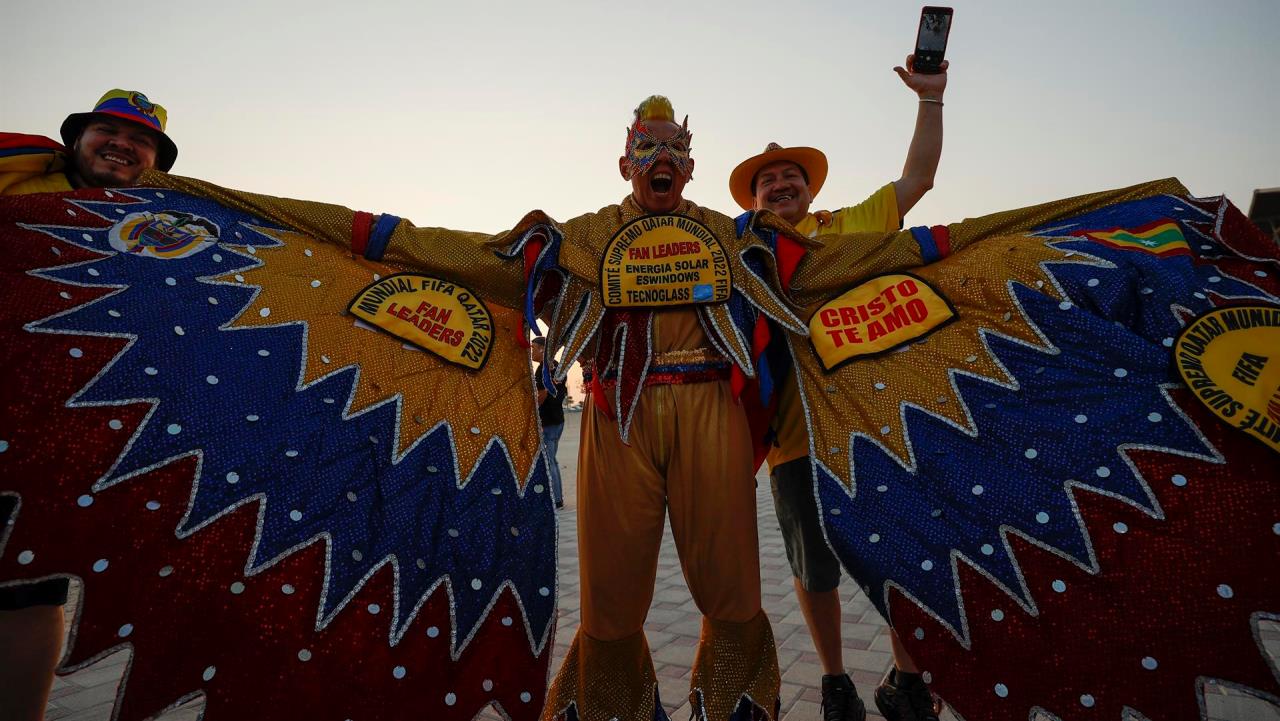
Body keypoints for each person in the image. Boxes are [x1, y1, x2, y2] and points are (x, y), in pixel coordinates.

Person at [727, 56, 947, 721]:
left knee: (907, 558)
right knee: (812, 566)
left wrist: (930, 99)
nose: (781, 183)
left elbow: (919, 178)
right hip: (794, 439)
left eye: (791, 175)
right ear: (753, 198)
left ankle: (907, 681)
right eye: (768, 180)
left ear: (810, 189)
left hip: (875, 426)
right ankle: (834, 682)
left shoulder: (851, 226)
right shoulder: (735, 251)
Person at [0, 88, 176, 721]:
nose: (123, 143)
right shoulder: (15, 182)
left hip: (53, 421)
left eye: (142, 139)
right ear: (77, 138)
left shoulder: (167, 228)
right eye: (108, 129)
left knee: (28, 587)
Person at [532, 337, 567, 509]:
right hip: (557, 419)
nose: (531, 351)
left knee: (549, 461)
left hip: (549, 421)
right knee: (552, 460)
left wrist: (538, 397)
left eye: (533, 348)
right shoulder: (557, 365)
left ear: (542, 349)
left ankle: (556, 499)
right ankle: (557, 497)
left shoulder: (544, 369)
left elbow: (541, 397)